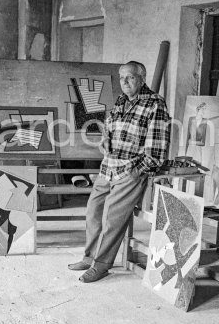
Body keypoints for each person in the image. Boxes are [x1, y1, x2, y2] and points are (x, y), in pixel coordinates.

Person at [68, 61, 171, 283]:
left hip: (131, 170)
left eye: (130, 77)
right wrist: (105, 141)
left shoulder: (155, 104)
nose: (124, 82)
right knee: (94, 210)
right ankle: (89, 257)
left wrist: (136, 172)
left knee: (111, 218)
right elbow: (110, 130)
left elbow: (156, 151)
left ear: (142, 78)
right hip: (108, 167)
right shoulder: (121, 101)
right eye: (121, 77)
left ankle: (101, 265)